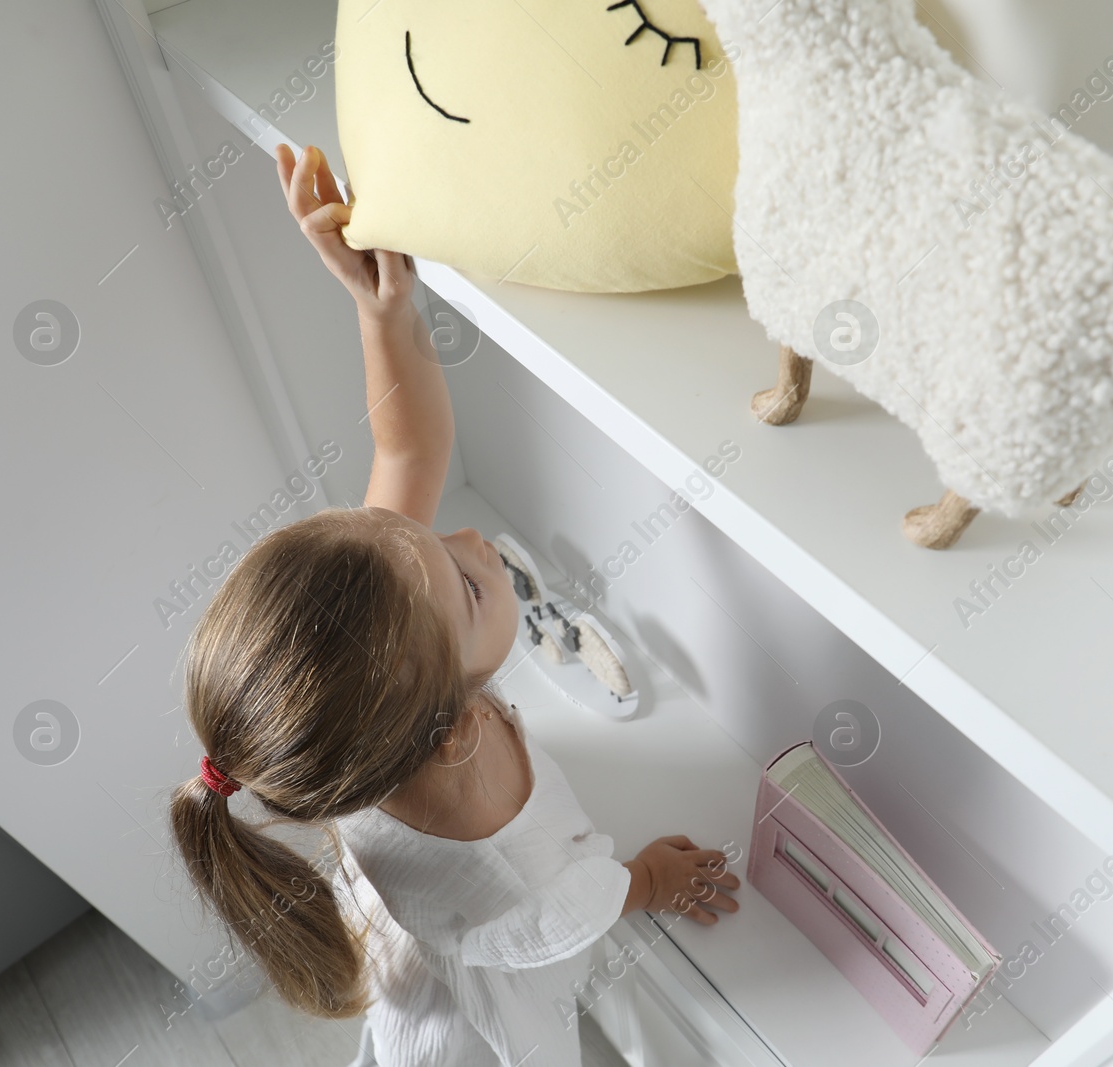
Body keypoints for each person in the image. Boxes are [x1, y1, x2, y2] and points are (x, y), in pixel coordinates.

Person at [167, 143, 741, 1067]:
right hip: (473, 1019)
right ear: (454, 731)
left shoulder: (380, 659)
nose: (471, 542)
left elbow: (409, 451)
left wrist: (378, 303)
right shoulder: (504, 855)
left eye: (431, 542)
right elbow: (573, 908)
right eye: (472, 588)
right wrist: (648, 878)